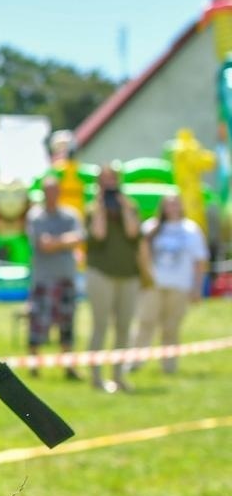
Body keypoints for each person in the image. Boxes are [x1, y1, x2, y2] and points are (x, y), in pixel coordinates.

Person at [135, 191, 208, 376]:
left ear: (181, 206)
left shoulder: (191, 229)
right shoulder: (151, 227)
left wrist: (197, 288)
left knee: (171, 327)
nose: (172, 207)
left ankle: (169, 366)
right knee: (146, 322)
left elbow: (200, 262)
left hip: (180, 286)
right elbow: (140, 256)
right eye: (169, 203)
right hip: (153, 285)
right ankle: (135, 361)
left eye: (176, 203)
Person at [84, 162, 142, 393]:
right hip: (101, 274)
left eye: (113, 180)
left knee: (124, 327)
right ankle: (97, 378)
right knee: (100, 326)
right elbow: (98, 234)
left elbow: (133, 232)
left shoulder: (131, 206)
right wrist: (100, 207)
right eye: (105, 181)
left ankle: (119, 377)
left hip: (128, 275)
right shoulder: (91, 208)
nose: (110, 184)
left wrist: (124, 208)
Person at [25, 172, 84, 378]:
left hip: (66, 279)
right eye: (47, 191)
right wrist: (64, 242)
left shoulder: (71, 214)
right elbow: (43, 245)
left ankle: (69, 367)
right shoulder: (35, 216)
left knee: (67, 325)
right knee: (38, 324)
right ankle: (34, 365)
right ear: (43, 193)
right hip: (43, 280)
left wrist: (55, 241)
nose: (51, 194)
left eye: (54, 190)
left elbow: (77, 238)